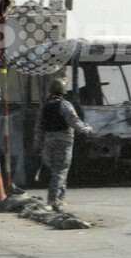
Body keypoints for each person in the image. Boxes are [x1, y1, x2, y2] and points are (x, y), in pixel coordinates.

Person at [33, 79, 92, 210]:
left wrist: (37, 145)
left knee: (56, 170)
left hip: (49, 141)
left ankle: (61, 198)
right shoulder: (65, 105)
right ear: (63, 91)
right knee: (61, 170)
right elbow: (74, 121)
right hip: (64, 141)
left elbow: (38, 127)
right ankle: (52, 199)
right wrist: (86, 129)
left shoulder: (44, 106)